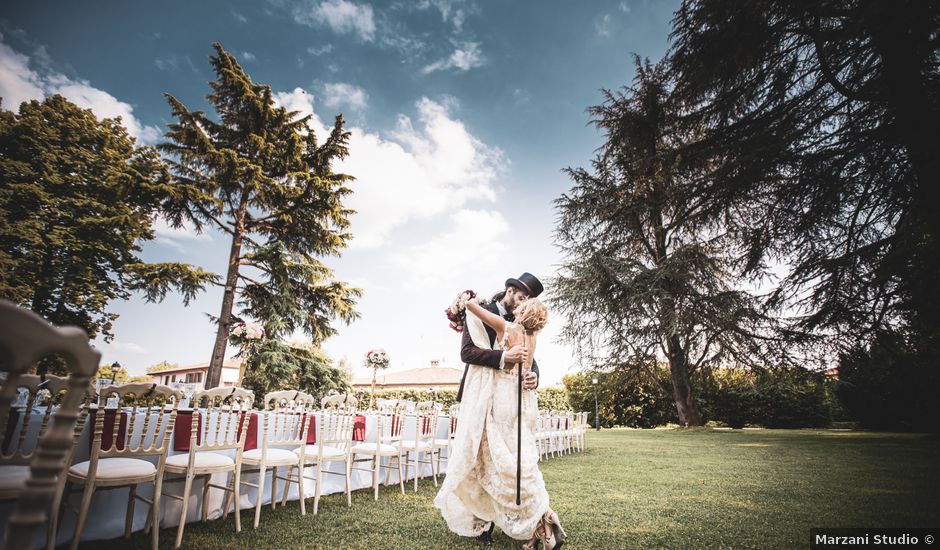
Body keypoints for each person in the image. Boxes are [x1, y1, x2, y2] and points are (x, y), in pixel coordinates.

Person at [435, 273, 568, 549]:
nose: (520, 304)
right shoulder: (496, 314)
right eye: (520, 298)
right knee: (481, 458)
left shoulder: (512, 327)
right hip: (483, 397)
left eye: (526, 302)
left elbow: (532, 363)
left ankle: (513, 519)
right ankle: (483, 523)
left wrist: (534, 377)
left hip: (506, 401)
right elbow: (468, 353)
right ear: (510, 291)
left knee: (497, 458)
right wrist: (502, 358)